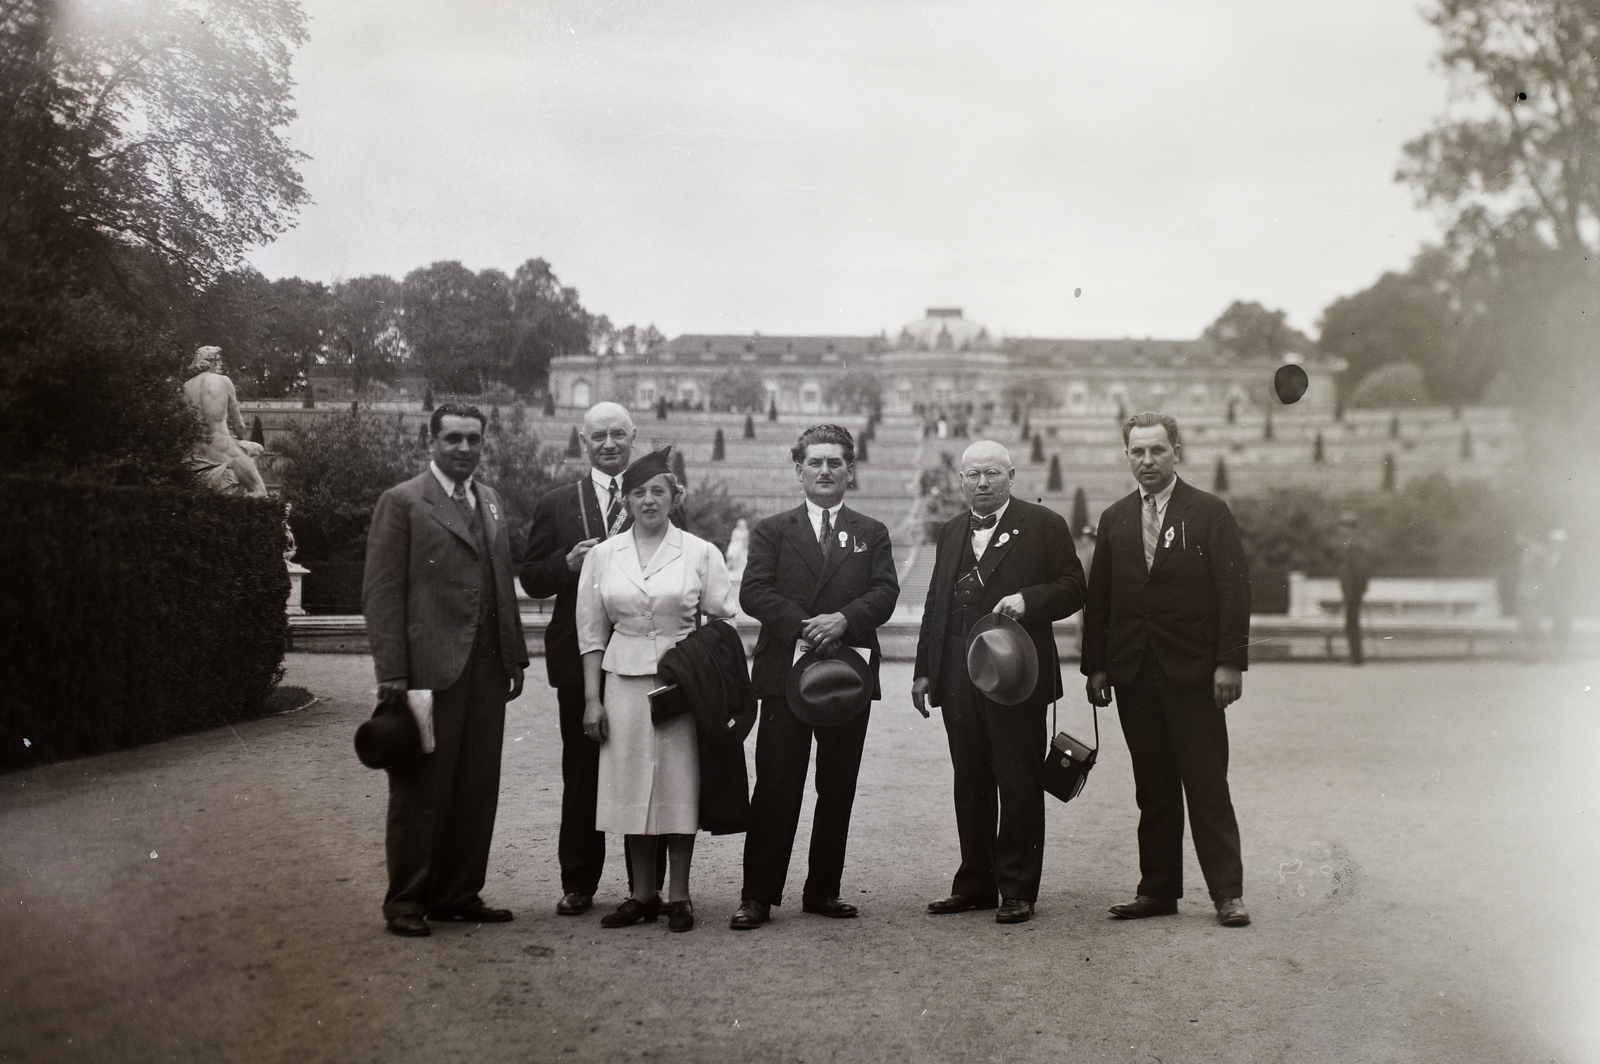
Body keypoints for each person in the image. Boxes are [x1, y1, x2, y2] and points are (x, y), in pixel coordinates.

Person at [362, 404, 528, 937]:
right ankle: (407, 901)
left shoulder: (493, 501)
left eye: (473, 440)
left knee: (477, 786)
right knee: (420, 788)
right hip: (427, 670)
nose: (463, 449)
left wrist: (513, 656)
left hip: (485, 668)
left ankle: (459, 893)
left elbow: (502, 582)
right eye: (452, 439)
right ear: (430, 441)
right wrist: (392, 669)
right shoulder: (404, 502)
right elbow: (382, 592)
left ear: (483, 444)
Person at [1083, 412, 1251, 928]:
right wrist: (1096, 667)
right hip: (1135, 673)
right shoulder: (1114, 519)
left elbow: (1233, 591)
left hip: (1195, 674)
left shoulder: (1209, 512)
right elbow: (1101, 598)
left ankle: (1227, 894)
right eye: (1137, 452)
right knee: (1152, 788)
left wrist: (1229, 663)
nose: (1147, 461)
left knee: (1205, 784)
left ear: (1176, 450)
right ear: (1127, 456)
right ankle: (1157, 890)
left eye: (1157, 450)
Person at [729, 425, 900, 931]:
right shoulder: (773, 530)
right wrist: (807, 626)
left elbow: (885, 593)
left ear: (851, 472)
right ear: (798, 469)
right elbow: (753, 593)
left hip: (848, 676)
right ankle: (758, 895)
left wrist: (844, 620)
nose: (825, 471)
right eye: (815, 462)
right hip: (786, 674)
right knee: (777, 785)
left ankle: (823, 889)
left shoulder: (872, 532)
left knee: (837, 786)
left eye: (835, 463)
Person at [912, 440, 1086, 925]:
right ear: (960, 481)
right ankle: (975, 884)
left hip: (1018, 673)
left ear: (1011, 475)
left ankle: (1017, 888)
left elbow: (1075, 587)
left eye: (992, 473)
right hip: (957, 673)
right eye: (972, 475)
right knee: (969, 781)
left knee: (1018, 778)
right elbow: (935, 604)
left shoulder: (1044, 524)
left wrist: (1029, 601)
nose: (982, 483)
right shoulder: (950, 531)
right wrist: (924, 670)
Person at [519, 402, 675, 916]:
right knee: (582, 770)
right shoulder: (559, 502)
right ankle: (579, 882)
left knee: (644, 764)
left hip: (644, 655)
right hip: (576, 656)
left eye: (617, 435)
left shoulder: (654, 496)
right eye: (598, 436)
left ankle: (642, 885)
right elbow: (532, 579)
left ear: (633, 438)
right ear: (583, 443)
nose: (608, 444)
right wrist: (565, 564)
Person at [575, 449, 739, 932]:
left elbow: (722, 618)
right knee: (630, 784)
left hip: (681, 683)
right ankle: (641, 894)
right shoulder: (604, 555)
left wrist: (700, 667)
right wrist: (591, 699)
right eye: (639, 493)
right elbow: (590, 634)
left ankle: (680, 895)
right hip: (622, 681)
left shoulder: (700, 552)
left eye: (659, 492)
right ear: (625, 500)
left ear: (675, 497)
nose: (649, 501)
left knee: (677, 783)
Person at [181, 346, 267, 497]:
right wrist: (239, 439)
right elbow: (239, 426)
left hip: (193, 454)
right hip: (223, 450)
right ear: (212, 362)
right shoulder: (223, 381)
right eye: (219, 361)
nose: (220, 365)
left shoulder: (183, 388)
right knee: (259, 490)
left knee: (254, 448)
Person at [1336, 511, 1371, 665]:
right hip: (1350, 590)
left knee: (1352, 623)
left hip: (1353, 591)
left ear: (1351, 528)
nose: (1342, 530)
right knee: (1351, 622)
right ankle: (1355, 656)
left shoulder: (1356, 545)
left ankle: (1356, 658)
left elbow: (1361, 570)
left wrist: (1358, 590)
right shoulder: (1350, 544)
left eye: (1344, 526)